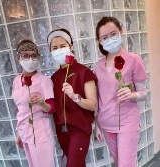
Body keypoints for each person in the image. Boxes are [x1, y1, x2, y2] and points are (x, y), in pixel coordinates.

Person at [95, 17, 148, 167]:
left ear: (121, 32)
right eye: (104, 37)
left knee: (126, 165)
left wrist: (132, 95)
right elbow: (99, 97)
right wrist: (97, 124)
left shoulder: (134, 60)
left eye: (113, 34)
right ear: (100, 41)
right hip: (106, 123)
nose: (110, 39)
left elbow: (143, 93)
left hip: (127, 122)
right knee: (119, 163)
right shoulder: (98, 66)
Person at [47, 28, 97, 167]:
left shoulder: (84, 72)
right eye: (54, 48)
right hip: (62, 131)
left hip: (79, 130)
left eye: (62, 46)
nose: (58, 50)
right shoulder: (54, 78)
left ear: (71, 46)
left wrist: (76, 97)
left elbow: (93, 105)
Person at [12, 39, 55, 167]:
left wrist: (41, 102)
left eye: (34, 56)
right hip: (24, 132)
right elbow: (19, 108)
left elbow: (52, 109)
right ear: (19, 58)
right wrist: (19, 132)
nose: (30, 59)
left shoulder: (44, 81)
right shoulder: (16, 80)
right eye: (26, 56)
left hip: (40, 132)